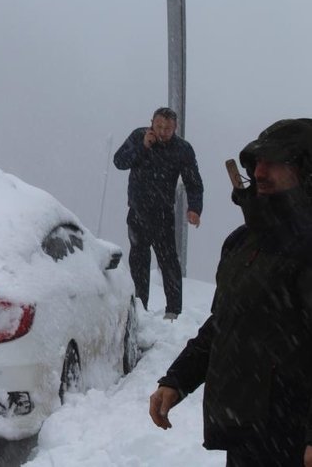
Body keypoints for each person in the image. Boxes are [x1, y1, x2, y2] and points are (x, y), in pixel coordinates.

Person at [149, 118, 312, 467]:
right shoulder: (242, 243)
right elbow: (225, 323)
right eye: (255, 162)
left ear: (305, 168)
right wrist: (178, 379)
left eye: (274, 162)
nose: (260, 171)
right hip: (247, 436)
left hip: (295, 440)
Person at [113, 107, 204, 320]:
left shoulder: (182, 149)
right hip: (137, 212)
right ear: (151, 123)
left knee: (169, 261)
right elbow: (119, 162)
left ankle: (173, 312)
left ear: (175, 128)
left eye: (168, 128)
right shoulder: (138, 136)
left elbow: (194, 182)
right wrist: (143, 147)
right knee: (139, 261)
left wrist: (194, 209)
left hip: (163, 214)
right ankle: (139, 309)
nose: (162, 132)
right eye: (159, 126)